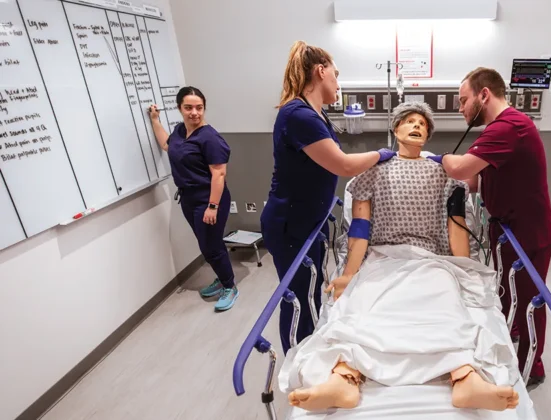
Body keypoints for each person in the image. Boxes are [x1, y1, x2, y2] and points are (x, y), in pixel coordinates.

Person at [279, 102, 520, 412]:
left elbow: (457, 227)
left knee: (446, 308)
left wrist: (466, 270)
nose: (416, 125)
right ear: (395, 129)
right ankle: (343, 379)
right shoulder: (373, 171)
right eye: (408, 121)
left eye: (422, 123)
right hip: (382, 258)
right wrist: (350, 274)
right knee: (361, 309)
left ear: (428, 134)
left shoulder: (445, 174)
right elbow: (361, 229)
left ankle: (466, 376)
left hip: (430, 260)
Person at [262, 41, 396, 354]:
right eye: (335, 74)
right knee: (295, 297)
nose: (338, 83)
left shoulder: (315, 115)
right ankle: (299, 364)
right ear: (320, 71)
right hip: (289, 224)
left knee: (309, 293)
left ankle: (312, 351)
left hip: (308, 221)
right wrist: (380, 154)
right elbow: (344, 164)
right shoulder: (298, 115)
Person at [429, 67, 551, 388]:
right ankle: (509, 337)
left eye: (462, 101)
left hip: (528, 233)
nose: (460, 109)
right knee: (507, 294)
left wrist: (434, 159)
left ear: (483, 94)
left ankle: (533, 367)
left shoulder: (510, 126)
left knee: (529, 301)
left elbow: (460, 168)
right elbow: (472, 181)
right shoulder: (496, 130)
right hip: (505, 230)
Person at [149, 87, 238, 312]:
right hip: (188, 199)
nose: (194, 113)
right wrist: (155, 121)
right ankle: (221, 276)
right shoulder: (180, 131)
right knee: (206, 243)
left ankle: (229, 286)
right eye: (188, 108)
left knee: (211, 245)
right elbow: (166, 145)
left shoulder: (210, 137)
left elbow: (219, 174)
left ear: (204, 109)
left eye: (199, 108)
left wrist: (212, 206)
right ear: (180, 108)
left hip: (209, 199)